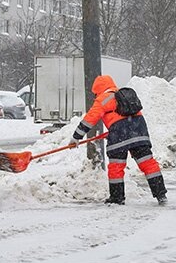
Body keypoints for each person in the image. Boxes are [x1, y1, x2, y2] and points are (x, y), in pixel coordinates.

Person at [70, 75, 167, 206]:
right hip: (139, 132)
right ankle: (161, 194)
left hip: (119, 136)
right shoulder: (123, 94)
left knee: (116, 167)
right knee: (148, 164)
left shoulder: (103, 99)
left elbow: (89, 120)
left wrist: (76, 137)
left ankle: (117, 198)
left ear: (97, 89)